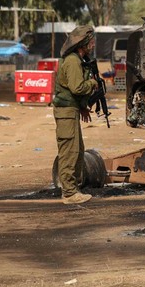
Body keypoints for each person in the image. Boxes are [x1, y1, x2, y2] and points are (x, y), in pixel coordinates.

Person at [53, 25, 99, 205]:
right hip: (65, 112)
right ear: (83, 44)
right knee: (69, 152)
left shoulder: (77, 60)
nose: (93, 45)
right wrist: (92, 83)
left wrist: (82, 107)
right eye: (91, 42)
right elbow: (77, 87)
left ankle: (73, 188)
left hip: (71, 111)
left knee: (77, 150)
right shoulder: (73, 61)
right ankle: (69, 193)